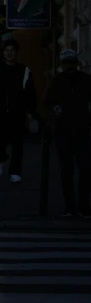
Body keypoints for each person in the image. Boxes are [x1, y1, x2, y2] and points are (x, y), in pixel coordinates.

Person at [44, 49, 91, 218]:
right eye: (66, 63)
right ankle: (70, 206)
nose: (69, 65)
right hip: (63, 132)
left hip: (83, 131)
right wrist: (53, 114)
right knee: (67, 170)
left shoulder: (86, 81)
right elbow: (46, 104)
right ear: (61, 65)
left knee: (85, 169)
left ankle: (83, 206)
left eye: (72, 62)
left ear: (76, 63)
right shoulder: (57, 82)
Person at [0, 38, 36, 183]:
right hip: (0, 114)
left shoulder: (24, 70)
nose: (9, 53)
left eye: (12, 50)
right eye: (7, 51)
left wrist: (30, 111)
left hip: (18, 113)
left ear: (16, 53)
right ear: (3, 53)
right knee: (0, 142)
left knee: (18, 145)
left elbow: (30, 92)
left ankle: (15, 172)